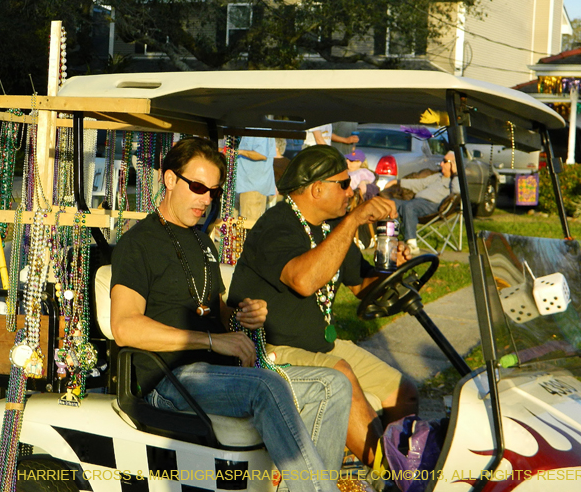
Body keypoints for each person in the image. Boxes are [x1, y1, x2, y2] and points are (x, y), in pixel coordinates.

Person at [110, 137, 353, 492]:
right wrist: (212, 340)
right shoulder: (138, 244)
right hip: (169, 377)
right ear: (169, 180)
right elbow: (125, 327)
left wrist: (242, 318)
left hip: (215, 374)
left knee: (334, 385)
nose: (206, 199)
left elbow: (216, 313)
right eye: (197, 187)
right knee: (266, 388)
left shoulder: (201, 242)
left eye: (213, 191)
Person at [228, 145, 419, 468]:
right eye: (343, 184)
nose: (351, 192)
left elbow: (362, 286)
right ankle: (393, 476)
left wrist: (394, 268)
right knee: (340, 374)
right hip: (269, 350)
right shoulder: (277, 224)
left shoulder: (333, 227)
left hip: (320, 344)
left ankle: (395, 467)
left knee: (403, 392)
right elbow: (303, 279)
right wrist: (355, 219)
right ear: (317, 189)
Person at [384, 151, 460, 256]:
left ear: (453, 164)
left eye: (445, 161)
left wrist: (455, 173)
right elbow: (419, 184)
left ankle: (412, 245)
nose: (441, 164)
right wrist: (398, 182)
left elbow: (457, 192)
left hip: (433, 206)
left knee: (408, 206)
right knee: (391, 204)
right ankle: (390, 238)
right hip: (416, 202)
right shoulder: (438, 176)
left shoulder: (456, 180)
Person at [235, 136, 276, 223]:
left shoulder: (260, 129)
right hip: (239, 185)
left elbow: (261, 154)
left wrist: (238, 151)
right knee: (233, 229)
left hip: (253, 188)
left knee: (250, 226)